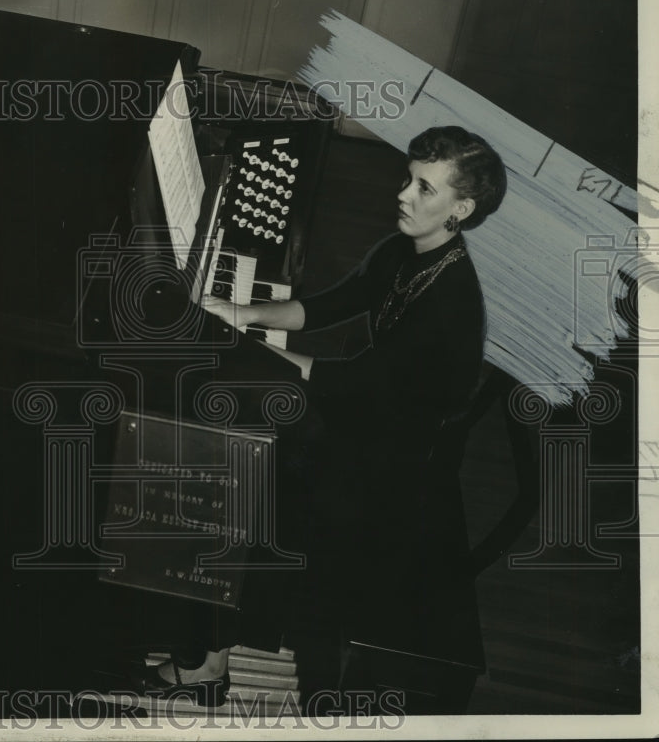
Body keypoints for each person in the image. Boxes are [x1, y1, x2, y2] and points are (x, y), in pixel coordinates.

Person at [137, 125, 508, 708]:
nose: (404, 196)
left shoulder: (451, 300)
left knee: (241, 472)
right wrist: (236, 312)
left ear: (462, 207)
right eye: (408, 180)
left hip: (387, 467)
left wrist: (259, 353)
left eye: (424, 189)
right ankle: (200, 632)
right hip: (365, 420)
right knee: (234, 439)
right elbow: (325, 307)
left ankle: (207, 658)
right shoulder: (404, 252)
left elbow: (355, 383)